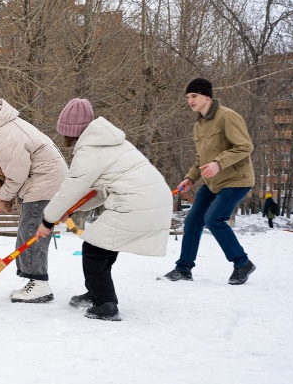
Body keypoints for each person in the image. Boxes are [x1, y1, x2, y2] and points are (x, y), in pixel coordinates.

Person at [36, 98, 172, 321]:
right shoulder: (111, 144)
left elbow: (70, 188)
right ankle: (97, 292)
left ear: (71, 131)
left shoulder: (89, 151)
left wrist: (48, 220)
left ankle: (105, 305)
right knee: (104, 247)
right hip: (151, 200)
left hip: (135, 203)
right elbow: (100, 190)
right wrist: (69, 210)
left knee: (94, 251)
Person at [0, 94, 67, 303]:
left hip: (45, 183)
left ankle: (40, 284)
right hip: (43, 182)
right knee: (28, 231)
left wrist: (2, 196)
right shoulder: (3, 128)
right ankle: (35, 281)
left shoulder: (6, 136)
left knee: (31, 232)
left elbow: (16, 175)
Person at [160, 78, 256, 285]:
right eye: (188, 97)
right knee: (192, 221)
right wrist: (190, 178)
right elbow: (200, 160)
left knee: (214, 219)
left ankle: (242, 263)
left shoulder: (228, 117)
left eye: (193, 96)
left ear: (207, 96)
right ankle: (183, 269)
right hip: (212, 183)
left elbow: (245, 146)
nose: (190, 101)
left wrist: (219, 164)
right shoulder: (199, 125)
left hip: (236, 179)